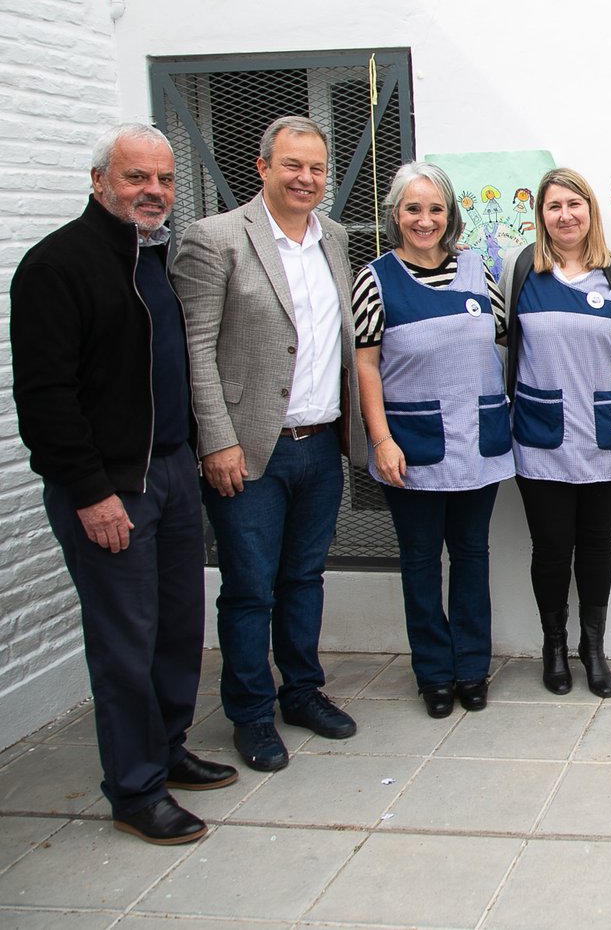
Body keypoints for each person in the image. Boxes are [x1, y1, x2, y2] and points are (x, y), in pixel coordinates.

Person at [11, 124, 237, 844]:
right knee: (124, 641)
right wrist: (90, 491)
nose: (154, 191)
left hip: (169, 470)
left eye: (164, 179)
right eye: (137, 177)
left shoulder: (157, 258)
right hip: (112, 486)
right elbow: (44, 398)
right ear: (99, 180)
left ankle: (166, 749)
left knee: (177, 625)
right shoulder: (57, 266)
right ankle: (135, 789)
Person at [169, 116, 365, 772]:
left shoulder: (334, 238)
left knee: (304, 578)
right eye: (292, 165)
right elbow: (195, 348)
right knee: (250, 588)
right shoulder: (215, 238)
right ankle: (251, 712)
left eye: (317, 168)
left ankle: (302, 692)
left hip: (321, 445)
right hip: (251, 449)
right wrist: (215, 441)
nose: (306, 178)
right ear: (262, 167)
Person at [353, 163, 514, 718]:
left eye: (435, 209)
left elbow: (503, 340)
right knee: (421, 562)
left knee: (471, 556)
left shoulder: (477, 271)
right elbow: (366, 365)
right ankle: (434, 674)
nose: (425, 220)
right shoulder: (375, 280)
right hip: (412, 447)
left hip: (478, 444)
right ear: (395, 214)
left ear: (451, 215)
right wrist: (380, 440)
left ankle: (471, 667)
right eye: (413, 208)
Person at [502, 168, 611, 698]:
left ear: (590, 211)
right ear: (541, 215)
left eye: (575, 204)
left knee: (596, 545)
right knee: (550, 548)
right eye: (554, 206)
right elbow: (501, 348)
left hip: (608, 433)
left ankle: (593, 649)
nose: (565, 215)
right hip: (539, 434)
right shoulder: (520, 269)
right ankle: (554, 647)